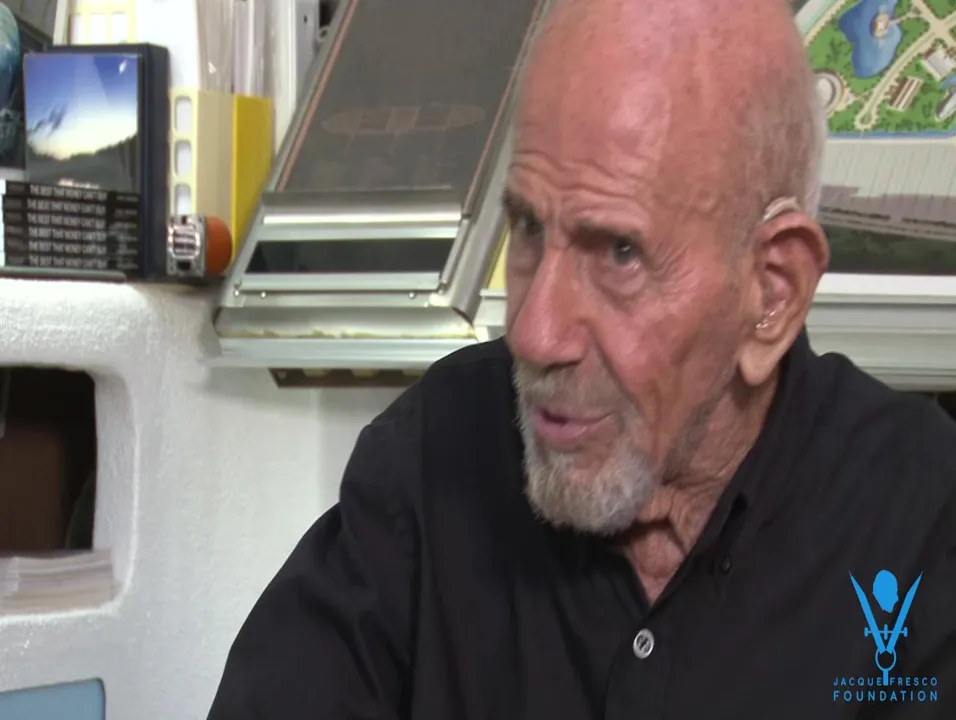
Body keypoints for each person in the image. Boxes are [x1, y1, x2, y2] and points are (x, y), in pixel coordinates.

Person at [206, 0, 956, 717]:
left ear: (773, 292)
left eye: (620, 253)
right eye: (529, 231)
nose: (534, 334)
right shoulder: (433, 461)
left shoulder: (922, 524)